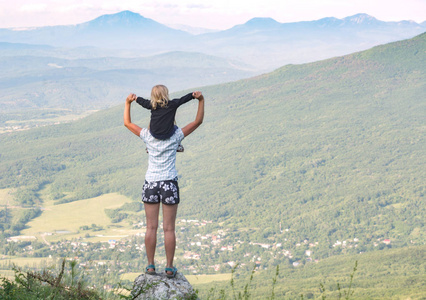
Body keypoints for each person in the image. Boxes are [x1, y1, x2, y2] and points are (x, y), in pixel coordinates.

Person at [124, 89, 204, 278]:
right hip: (169, 183)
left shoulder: (147, 135)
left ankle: (150, 266)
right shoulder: (176, 136)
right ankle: (169, 267)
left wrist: (128, 103)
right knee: (169, 228)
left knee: (151, 227)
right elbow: (197, 121)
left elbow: (127, 123)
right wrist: (201, 100)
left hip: (151, 183)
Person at [135, 85, 196, 152]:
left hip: (154, 133)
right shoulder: (172, 104)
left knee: (150, 126)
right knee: (176, 127)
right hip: (168, 133)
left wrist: (136, 98)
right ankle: (178, 145)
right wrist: (192, 95)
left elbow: (143, 102)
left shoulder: (152, 105)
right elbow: (182, 99)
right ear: (166, 94)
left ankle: (148, 145)